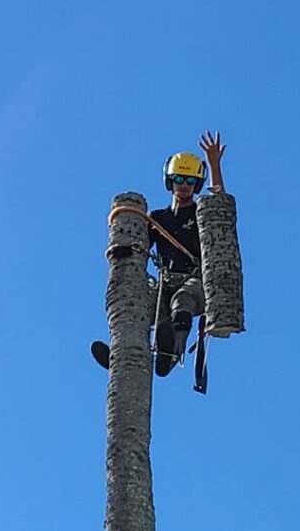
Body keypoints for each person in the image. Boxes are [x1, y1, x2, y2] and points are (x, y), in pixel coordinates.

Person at [91, 131, 226, 376]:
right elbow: (141, 245)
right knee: (141, 306)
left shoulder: (200, 214)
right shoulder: (158, 219)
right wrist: (124, 249)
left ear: (196, 184)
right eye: (178, 179)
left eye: (189, 181)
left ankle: (173, 352)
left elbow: (218, 206)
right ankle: (123, 353)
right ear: (169, 181)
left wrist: (215, 165)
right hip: (166, 280)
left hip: (194, 280)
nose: (183, 186)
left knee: (182, 301)